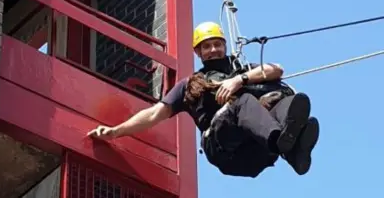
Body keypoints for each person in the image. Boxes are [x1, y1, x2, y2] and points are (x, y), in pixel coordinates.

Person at [87, 22, 320, 177]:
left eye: (217, 44)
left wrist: (239, 80)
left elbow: (276, 69)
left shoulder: (238, 69)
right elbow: (153, 114)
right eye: (206, 46)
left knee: (282, 99)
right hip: (226, 151)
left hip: (255, 150)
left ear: (224, 46)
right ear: (198, 52)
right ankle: (280, 141)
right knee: (243, 103)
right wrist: (116, 131)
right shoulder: (189, 86)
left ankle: (292, 149)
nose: (213, 50)